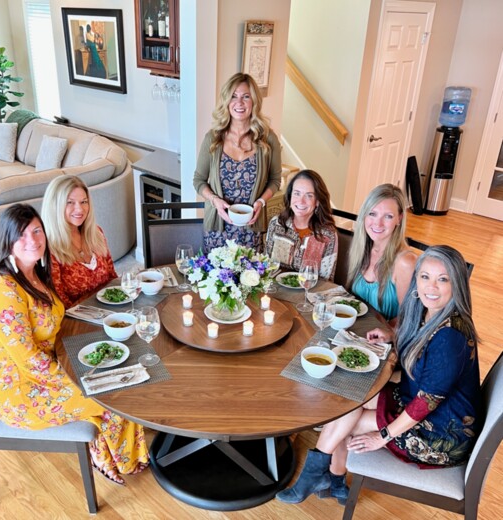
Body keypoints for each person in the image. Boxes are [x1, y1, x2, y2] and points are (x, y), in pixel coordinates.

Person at [276, 245, 481, 506]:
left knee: (350, 422)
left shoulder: (451, 336)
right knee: (350, 400)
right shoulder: (430, 311)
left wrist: (382, 436)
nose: (432, 286)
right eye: (425, 276)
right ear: (416, 279)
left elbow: (427, 401)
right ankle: (331, 481)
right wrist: (392, 336)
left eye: (443, 279)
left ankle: (321, 477)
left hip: (442, 431)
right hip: (421, 402)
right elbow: (423, 350)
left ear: (457, 284)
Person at [0, 204, 149, 485]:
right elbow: (28, 359)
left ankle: (118, 450)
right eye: (21, 235)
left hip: (52, 365)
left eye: (36, 231)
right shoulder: (2, 289)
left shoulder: (33, 272)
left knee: (122, 370)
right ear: (6, 241)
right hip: (22, 391)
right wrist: (79, 378)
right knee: (111, 395)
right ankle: (123, 461)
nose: (32, 240)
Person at [193, 72, 282, 252]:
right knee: (216, 278)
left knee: (250, 278)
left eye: (246, 97)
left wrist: (261, 203)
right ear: (226, 101)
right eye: (233, 96)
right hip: (218, 227)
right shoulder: (213, 138)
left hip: (251, 227)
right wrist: (215, 200)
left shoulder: (268, 139)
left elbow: (275, 180)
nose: (239, 103)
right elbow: (198, 180)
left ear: (254, 102)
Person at [42, 175, 117, 309]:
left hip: (110, 314)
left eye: (84, 202)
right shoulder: (50, 248)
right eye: (70, 202)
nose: (79, 209)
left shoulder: (96, 233)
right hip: (77, 322)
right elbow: (60, 303)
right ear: (55, 206)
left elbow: (112, 278)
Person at [347, 183, 417, 323]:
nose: (377, 223)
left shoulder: (405, 262)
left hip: (382, 340)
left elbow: (410, 317)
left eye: (388, 216)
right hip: (354, 331)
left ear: (399, 218)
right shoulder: (362, 248)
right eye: (372, 214)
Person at [265, 169, 338, 280]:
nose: (301, 201)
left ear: (317, 201)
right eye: (297, 193)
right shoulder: (276, 224)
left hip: (309, 293)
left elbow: (326, 280)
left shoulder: (328, 235)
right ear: (290, 196)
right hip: (275, 291)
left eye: (309, 195)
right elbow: (267, 266)